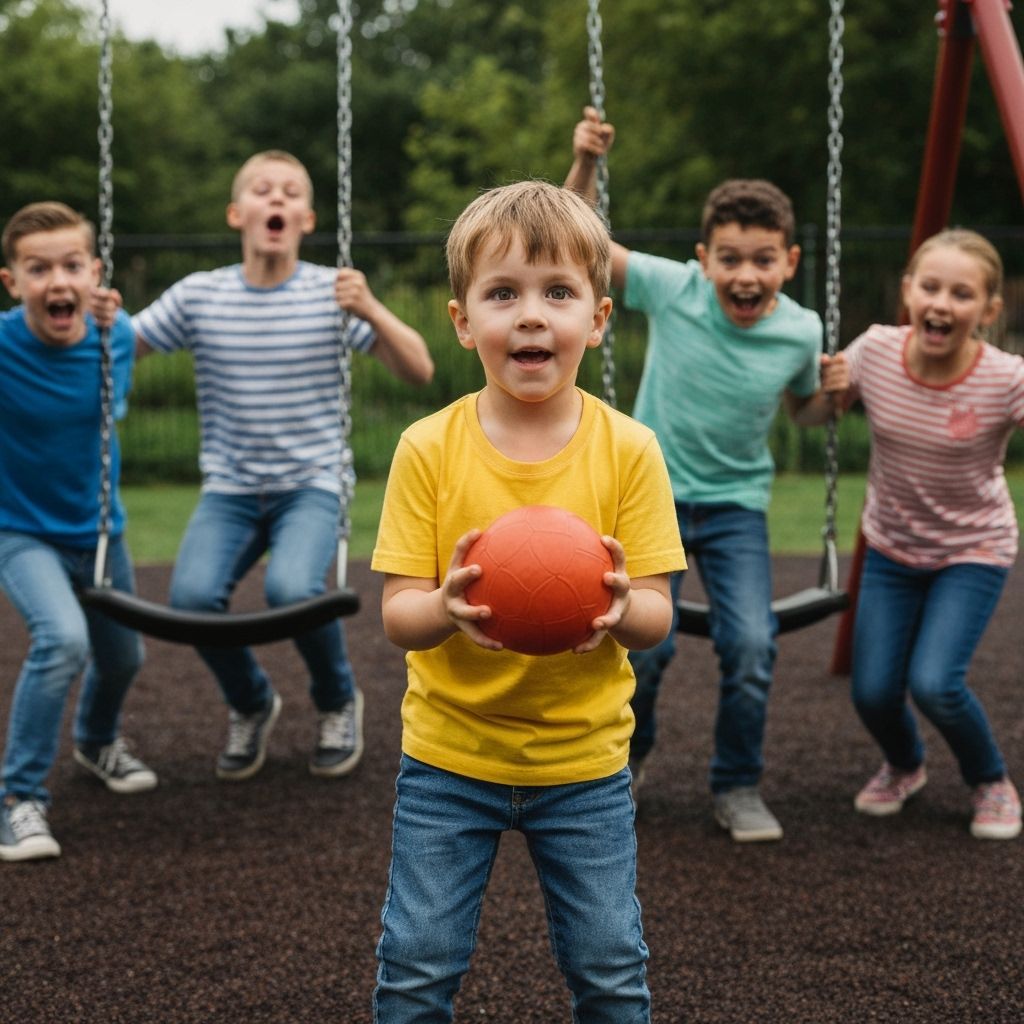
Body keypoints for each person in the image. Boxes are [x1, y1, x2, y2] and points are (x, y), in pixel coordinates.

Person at [370, 179, 685, 1022]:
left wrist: (624, 610)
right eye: (503, 293)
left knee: (610, 966)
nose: (532, 315)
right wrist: (448, 608)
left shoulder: (630, 450)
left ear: (599, 318)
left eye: (558, 292)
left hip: (583, 763)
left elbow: (658, 614)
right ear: (464, 321)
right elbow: (399, 615)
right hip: (448, 758)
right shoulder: (427, 448)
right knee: (416, 964)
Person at [566, 107, 848, 843]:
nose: (745, 275)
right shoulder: (673, 289)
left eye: (762, 259)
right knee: (643, 648)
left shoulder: (803, 327)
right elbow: (575, 239)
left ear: (789, 261)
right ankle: (628, 763)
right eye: (729, 258)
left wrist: (835, 398)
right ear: (703, 259)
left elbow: (804, 416)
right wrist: (587, 163)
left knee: (752, 647)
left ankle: (737, 784)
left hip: (734, 509)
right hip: (649, 498)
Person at [131, 150, 434, 782]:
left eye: (290, 192)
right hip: (231, 491)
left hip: (311, 486)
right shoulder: (199, 295)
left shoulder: (333, 293)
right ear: (238, 213)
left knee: (293, 591)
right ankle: (251, 702)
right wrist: (97, 325)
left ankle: (334, 701)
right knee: (189, 599)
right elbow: (119, 348)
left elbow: (420, 370)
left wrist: (371, 307)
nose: (277, 199)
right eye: (263, 191)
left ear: (307, 218)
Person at [838, 229, 1022, 841]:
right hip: (891, 547)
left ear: (988, 311)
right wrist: (818, 389)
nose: (942, 303)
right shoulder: (874, 353)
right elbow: (812, 413)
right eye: (931, 286)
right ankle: (906, 764)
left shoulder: (1004, 378)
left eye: (962, 293)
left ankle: (990, 779)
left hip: (972, 549)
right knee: (872, 693)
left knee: (935, 683)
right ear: (908, 292)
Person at [0, 202, 157, 863]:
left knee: (125, 657)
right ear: (12, 281)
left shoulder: (113, 335)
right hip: (19, 530)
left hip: (98, 530)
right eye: (38, 269)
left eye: (70, 266)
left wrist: (106, 327)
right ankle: (18, 799)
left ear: (94, 273)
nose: (56, 282)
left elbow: (108, 407)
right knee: (62, 639)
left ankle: (95, 742)